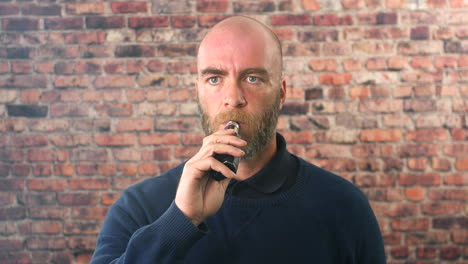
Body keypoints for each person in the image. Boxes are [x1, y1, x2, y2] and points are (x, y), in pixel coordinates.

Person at [90, 16, 386, 264]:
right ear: (198, 92)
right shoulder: (139, 207)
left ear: (281, 93)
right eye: (215, 79)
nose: (233, 99)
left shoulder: (343, 206)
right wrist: (180, 220)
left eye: (252, 78)